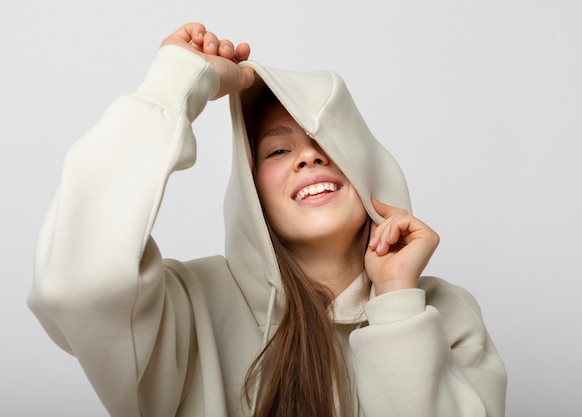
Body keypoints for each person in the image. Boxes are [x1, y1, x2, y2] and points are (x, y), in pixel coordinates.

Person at [28, 22, 507, 417]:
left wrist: (397, 302)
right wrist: (173, 84)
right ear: (251, 187)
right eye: (278, 149)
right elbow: (78, 285)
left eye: (327, 143)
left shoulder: (444, 314)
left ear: (364, 163)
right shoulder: (190, 308)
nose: (307, 159)